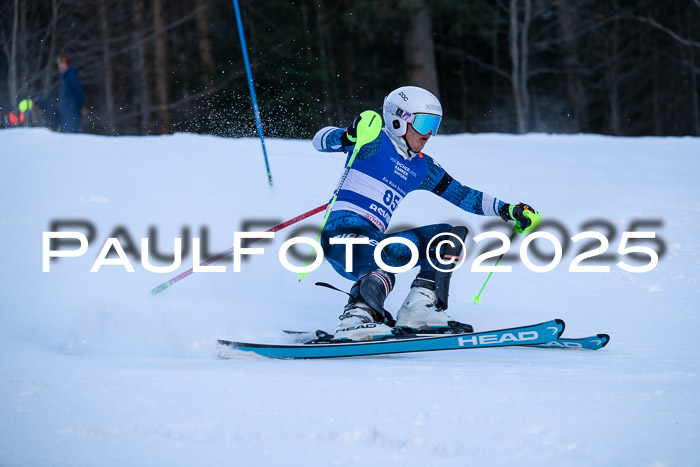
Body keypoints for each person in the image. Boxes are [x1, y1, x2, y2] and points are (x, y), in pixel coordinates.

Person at [312, 86, 541, 341]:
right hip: (341, 237)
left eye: (435, 124)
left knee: (447, 237)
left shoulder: (421, 166)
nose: (429, 132)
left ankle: (418, 309)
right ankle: (356, 318)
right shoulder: (375, 140)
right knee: (379, 264)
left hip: (377, 240)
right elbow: (321, 140)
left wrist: (506, 209)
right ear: (399, 120)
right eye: (424, 122)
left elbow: (463, 195)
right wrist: (348, 136)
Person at [57, 56, 84, 133]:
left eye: (62, 63)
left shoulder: (70, 75)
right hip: (66, 110)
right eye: (59, 64)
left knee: (71, 134)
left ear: (67, 65)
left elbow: (78, 91)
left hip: (71, 110)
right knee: (67, 134)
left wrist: (78, 107)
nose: (60, 66)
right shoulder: (66, 77)